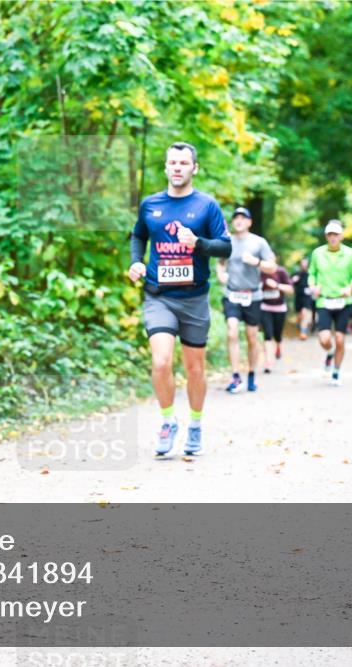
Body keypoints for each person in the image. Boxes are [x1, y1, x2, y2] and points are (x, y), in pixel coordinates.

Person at [128, 142, 231, 457]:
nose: (177, 167)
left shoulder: (206, 206)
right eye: (172, 162)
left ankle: (196, 425)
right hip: (159, 296)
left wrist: (199, 243)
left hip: (194, 297)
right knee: (160, 362)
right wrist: (136, 261)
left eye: (183, 163)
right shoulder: (150, 204)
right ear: (165, 167)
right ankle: (167, 420)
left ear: (194, 168)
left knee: (195, 369)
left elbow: (225, 248)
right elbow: (139, 235)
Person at [215, 207, 276, 393]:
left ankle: (251, 374)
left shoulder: (259, 243)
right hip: (232, 294)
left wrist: (256, 262)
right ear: (233, 222)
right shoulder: (227, 242)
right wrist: (221, 275)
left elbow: (272, 267)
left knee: (251, 337)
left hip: (253, 296)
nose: (239, 221)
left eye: (243, 218)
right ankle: (235, 376)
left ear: (249, 222)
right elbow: (220, 262)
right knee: (232, 332)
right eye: (236, 218)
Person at [308, 220, 352, 386]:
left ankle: (336, 372)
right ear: (326, 236)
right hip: (324, 300)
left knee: (340, 338)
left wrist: (351, 287)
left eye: (336, 234)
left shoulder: (351, 254)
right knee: (324, 339)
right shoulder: (317, 253)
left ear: (341, 236)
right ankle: (330, 352)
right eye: (329, 234)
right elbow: (312, 274)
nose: (332, 237)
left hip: (344, 301)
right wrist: (313, 287)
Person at [260, 257, 294, 373]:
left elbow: (290, 289)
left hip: (280, 309)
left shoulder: (281, 272)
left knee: (277, 334)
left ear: (275, 259)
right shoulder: (260, 272)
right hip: (265, 308)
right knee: (268, 334)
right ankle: (268, 361)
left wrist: (276, 286)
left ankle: (278, 345)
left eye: (271, 258)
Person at [291, 257, 315, 339]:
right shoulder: (296, 274)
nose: (304, 265)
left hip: (308, 297)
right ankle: (300, 327)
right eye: (302, 263)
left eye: (305, 263)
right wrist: (293, 280)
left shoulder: (311, 275)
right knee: (299, 316)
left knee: (305, 312)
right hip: (298, 297)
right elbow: (289, 283)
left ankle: (303, 332)